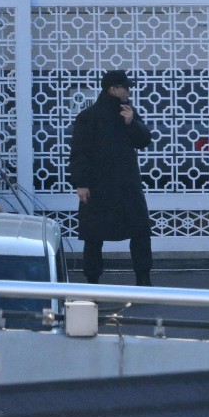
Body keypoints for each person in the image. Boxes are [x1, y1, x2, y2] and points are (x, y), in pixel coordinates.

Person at [68, 70, 153, 286]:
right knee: (93, 236)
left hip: (127, 185)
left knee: (140, 231)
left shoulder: (127, 112)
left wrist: (132, 122)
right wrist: (81, 183)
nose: (128, 91)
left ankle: (143, 279)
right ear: (113, 89)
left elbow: (143, 141)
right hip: (99, 186)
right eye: (125, 87)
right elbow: (79, 152)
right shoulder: (89, 117)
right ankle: (93, 281)